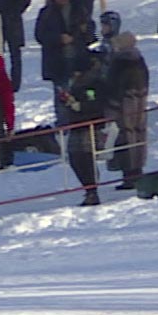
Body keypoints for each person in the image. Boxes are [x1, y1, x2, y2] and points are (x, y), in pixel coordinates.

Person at [54, 50, 107, 206]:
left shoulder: (95, 82)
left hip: (90, 124)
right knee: (75, 158)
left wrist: (80, 106)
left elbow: (97, 103)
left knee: (85, 157)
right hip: (76, 123)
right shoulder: (75, 82)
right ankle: (89, 188)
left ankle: (92, 191)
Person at [106, 33, 150, 188]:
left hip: (122, 105)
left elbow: (113, 85)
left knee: (124, 138)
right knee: (137, 136)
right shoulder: (140, 61)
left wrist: (111, 104)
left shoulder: (120, 62)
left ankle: (129, 175)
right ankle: (137, 171)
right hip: (139, 104)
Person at [35, 0, 94, 87]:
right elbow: (40, 35)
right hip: (56, 60)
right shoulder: (46, 12)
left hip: (78, 58)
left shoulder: (79, 10)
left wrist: (78, 36)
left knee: (81, 92)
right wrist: (59, 39)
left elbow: (90, 32)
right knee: (61, 95)